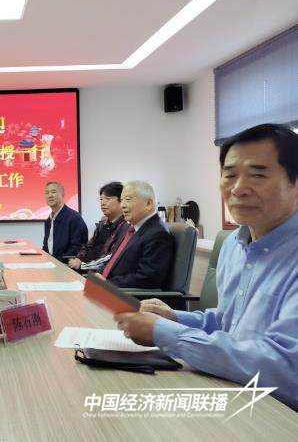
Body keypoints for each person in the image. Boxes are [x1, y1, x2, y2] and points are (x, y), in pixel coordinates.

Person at [115, 124, 298, 409]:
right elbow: (229, 324)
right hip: (234, 392)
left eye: (258, 175)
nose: (238, 188)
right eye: (230, 175)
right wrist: (174, 318)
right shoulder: (235, 245)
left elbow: (286, 369)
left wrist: (167, 334)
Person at [101, 180, 174, 289]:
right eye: (121, 200)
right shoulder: (127, 227)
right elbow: (112, 261)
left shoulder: (158, 234)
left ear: (148, 203)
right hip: (106, 287)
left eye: (128, 200)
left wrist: (106, 284)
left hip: (125, 295)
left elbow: (147, 279)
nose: (122, 205)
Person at [68, 182, 129, 272]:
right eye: (101, 199)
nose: (102, 203)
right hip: (86, 268)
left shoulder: (126, 226)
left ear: (121, 200)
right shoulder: (102, 223)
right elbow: (88, 246)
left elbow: (111, 257)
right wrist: (79, 258)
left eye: (108, 199)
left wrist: (83, 266)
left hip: (98, 272)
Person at [41, 181, 88, 263]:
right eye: (47, 193)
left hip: (66, 265)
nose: (50, 195)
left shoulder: (74, 218)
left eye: (53, 192)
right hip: (52, 263)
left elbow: (78, 248)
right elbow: (46, 246)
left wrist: (57, 262)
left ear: (62, 195)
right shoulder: (49, 220)